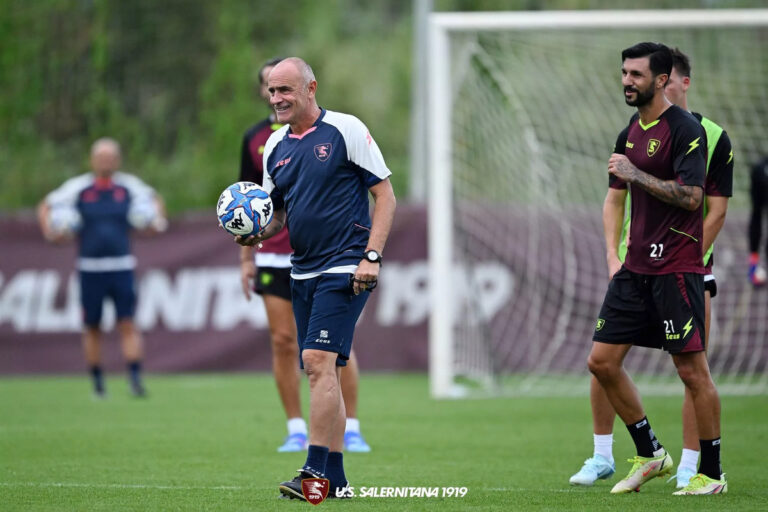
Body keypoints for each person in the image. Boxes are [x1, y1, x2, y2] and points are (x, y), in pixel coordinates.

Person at [570, 48, 733, 490]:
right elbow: (614, 197)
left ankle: (710, 473)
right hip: (634, 266)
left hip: (676, 267)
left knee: (692, 372)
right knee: (601, 362)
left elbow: (693, 198)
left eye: (636, 74)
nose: (627, 80)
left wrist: (635, 173)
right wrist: (611, 253)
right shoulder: (628, 132)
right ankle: (649, 452)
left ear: (662, 80)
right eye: (624, 72)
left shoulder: (687, 130)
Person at [235, 57, 396, 501]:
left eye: (285, 89)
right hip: (299, 267)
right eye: (271, 91)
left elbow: (384, 194)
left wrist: (372, 256)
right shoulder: (275, 148)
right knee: (326, 369)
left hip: (346, 265)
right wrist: (251, 233)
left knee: (317, 362)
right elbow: (276, 215)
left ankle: (314, 474)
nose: (277, 99)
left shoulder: (345, 129)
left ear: (311, 88)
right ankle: (338, 481)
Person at [37, 137, 167, 398]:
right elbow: (45, 206)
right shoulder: (79, 188)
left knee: (127, 323)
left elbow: (156, 201)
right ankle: (97, 383)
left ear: (117, 160)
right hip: (90, 268)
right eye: (101, 157)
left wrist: (156, 222)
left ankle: (135, 380)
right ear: (92, 160)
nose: (105, 161)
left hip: (122, 266)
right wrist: (51, 232)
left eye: (110, 157)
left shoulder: (128, 187)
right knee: (92, 326)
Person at [748, 155, 768, 286]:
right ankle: (753, 268)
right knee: (756, 217)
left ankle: (753, 268)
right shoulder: (760, 168)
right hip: (760, 175)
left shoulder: (759, 167)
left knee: (756, 216)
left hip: (759, 172)